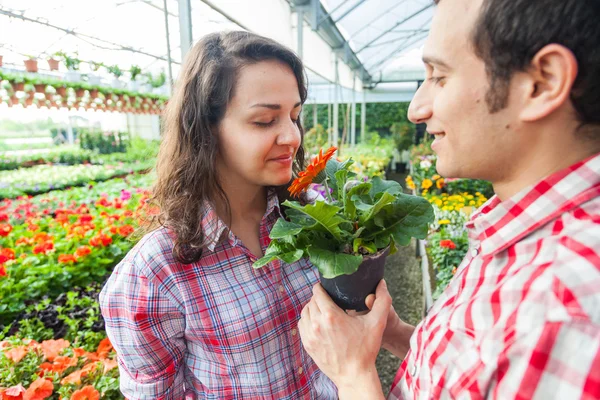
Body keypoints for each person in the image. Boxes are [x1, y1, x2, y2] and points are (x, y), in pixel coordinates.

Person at [298, 0, 600, 398]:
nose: (416, 109)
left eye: (439, 76)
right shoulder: (517, 234)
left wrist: (353, 374)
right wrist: (397, 335)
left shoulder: (567, 309)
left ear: (542, 83)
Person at [99, 31, 337, 399]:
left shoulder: (309, 215)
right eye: (264, 121)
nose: (292, 136)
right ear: (206, 129)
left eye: (294, 116)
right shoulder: (156, 274)